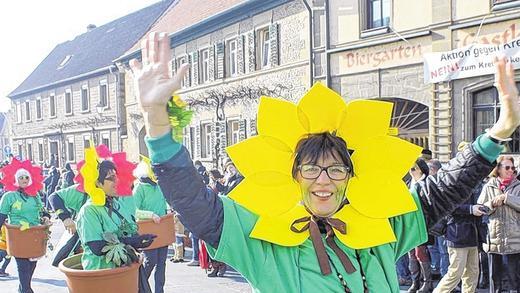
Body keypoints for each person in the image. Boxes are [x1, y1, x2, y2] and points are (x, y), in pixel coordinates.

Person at [130, 32, 519, 292]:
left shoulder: (379, 225)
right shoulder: (260, 239)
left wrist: (498, 132)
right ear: (293, 175)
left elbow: (441, 191)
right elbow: (194, 203)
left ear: (350, 177)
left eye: (336, 169)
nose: (324, 180)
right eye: (311, 169)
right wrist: (157, 123)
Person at [75, 153, 156, 272]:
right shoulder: (89, 211)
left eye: (116, 177)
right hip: (103, 275)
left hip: (126, 270)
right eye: (111, 178)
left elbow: (128, 229)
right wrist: (132, 242)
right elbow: (97, 247)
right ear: (97, 183)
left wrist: (140, 240)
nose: (117, 181)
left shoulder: (117, 204)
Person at [0, 159, 50, 293]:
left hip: (34, 235)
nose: (24, 179)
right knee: (22, 266)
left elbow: (43, 211)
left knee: (31, 265)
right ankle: (27, 290)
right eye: (21, 177)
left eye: (26, 177)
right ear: (16, 179)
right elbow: (1, 216)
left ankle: (23, 289)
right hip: (17, 235)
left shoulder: (34, 195)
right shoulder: (9, 196)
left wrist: (46, 217)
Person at [433, 173, 486, 293]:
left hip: (472, 234)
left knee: (472, 273)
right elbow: (449, 208)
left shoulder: (476, 184)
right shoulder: (452, 185)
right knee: (455, 273)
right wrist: (471, 209)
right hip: (457, 234)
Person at [478, 155, 520, 292]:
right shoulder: (488, 186)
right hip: (493, 240)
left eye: (513, 168)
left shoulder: (518, 186)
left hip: (514, 239)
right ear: (498, 169)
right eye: (507, 167)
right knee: (494, 280)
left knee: (514, 279)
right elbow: (481, 208)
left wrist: (507, 198)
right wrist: (492, 203)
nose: (510, 170)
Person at [132, 161, 169, 293]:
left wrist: (169, 210)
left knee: (161, 263)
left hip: (163, 228)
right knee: (150, 261)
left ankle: (160, 291)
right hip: (147, 230)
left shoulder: (159, 186)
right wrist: (150, 214)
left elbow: (165, 202)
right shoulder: (139, 188)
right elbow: (134, 210)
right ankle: (140, 287)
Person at [407, 158, 433, 293]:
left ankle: (427, 283)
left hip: (421, 223)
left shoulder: (425, 184)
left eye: (413, 169)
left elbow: (429, 205)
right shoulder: (408, 184)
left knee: (420, 253)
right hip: (409, 223)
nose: (410, 171)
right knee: (411, 253)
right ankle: (415, 282)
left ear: (421, 170)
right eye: (410, 169)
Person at [426, 159, 449, 279]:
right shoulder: (427, 181)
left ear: (433, 170)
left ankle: (444, 274)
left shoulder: (442, 182)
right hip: (432, 221)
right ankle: (437, 270)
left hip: (441, 221)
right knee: (433, 248)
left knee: (443, 250)